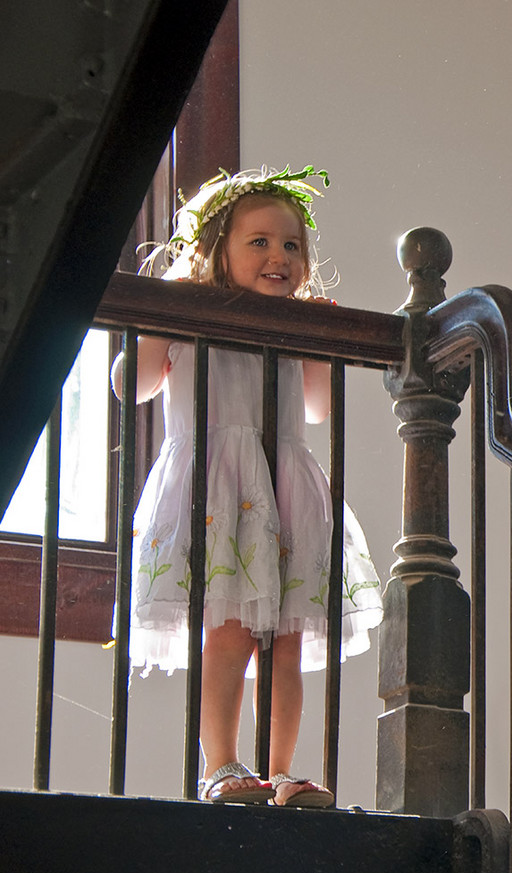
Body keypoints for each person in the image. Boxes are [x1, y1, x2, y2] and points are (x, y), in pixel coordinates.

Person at [111, 166, 382, 807]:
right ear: (216, 251)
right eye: (258, 242)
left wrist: (321, 340)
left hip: (286, 491)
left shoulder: (291, 327)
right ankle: (222, 765)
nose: (278, 257)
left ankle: (281, 770)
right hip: (216, 492)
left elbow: (316, 406)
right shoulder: (189, 314)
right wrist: (160, 316)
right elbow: (135, 385)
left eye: (291, 246)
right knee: (230, 632)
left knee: (285, 642)